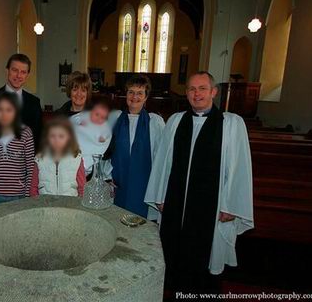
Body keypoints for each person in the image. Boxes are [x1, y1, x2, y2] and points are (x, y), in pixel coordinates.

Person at [145, 71, 253, 295]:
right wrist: (160, 195)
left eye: (202, 88)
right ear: (186, 94)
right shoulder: (175, 121)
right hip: (175, 203)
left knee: (204, 259)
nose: (197, 93)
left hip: (211, 207)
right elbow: (163, 162)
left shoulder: (231, 124)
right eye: (192, 89)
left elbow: (239, 167)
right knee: (172, 253)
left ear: (214, 91)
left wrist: (230, 205)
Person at [107, 75, 165, 219]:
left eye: (140, 93)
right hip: (117, 184)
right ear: (125, 94)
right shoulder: (114, 119)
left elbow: (161, 157)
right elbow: (106, 150)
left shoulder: (155, 122)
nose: (134, 97)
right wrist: (107, 176)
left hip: (144, 185)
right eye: (131, 92)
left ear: (146, 97)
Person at [0, 92, 35, 206]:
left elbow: (31, 169)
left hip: (19, 197)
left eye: (9, 110)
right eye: (0, 109)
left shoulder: (26, 133)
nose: (4, 114)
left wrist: (26, 197)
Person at [0, 53, 42, 147]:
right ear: (7, 71)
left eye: (23, 72)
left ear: (27, 75)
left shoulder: (34, 102)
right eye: (15, 70)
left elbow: (38, 136)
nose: (18, 75)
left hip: (24, 160)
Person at [29, 117, 86, 197]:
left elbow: (82, 188)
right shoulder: (40, 159)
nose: (56, 140)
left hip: (69, 206)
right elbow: (33, 188)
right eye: (52, 136)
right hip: (45, 205)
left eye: (61, 136)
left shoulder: (76, 158)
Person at [70, 99, 112, 177]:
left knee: (86, 162)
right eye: (97, 114)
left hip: (89, 153)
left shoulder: (103, 126)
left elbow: (106, 134)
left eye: (102, 117)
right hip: (77, 150)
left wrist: (102, 138)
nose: (99, 118)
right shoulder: (84, 118)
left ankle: (84, 168)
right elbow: (73, 122)